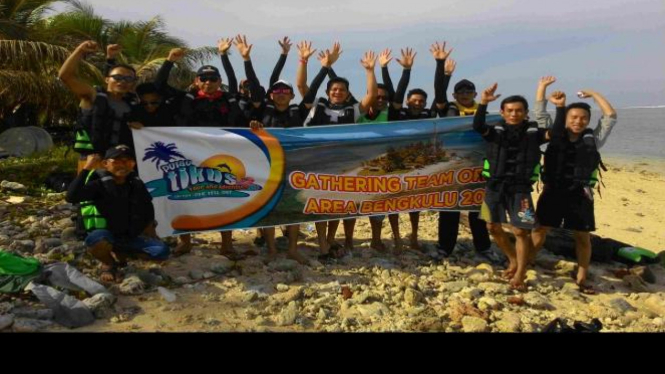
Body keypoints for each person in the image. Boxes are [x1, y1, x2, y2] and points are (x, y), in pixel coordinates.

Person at [530, 84, 612, 294]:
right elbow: (539, 112)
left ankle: (582, 277)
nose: (578, 121)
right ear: (565, 118)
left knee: (582, 236)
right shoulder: (553, 135)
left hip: (580, 194)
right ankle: (527, 262)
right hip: (553, 191)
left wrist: (594, 93)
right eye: (573, 117)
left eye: (583, 118)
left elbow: (610, 115)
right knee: (540, 229)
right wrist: (542, 88)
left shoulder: (593, 138)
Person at [301, 45, 378, 261]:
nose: (337, 92)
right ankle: (322, 242)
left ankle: (331, 239)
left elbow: (371, 95)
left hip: (343, 164)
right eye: (334, 89)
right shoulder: (316, 106)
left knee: (337, 204)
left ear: (347, 94)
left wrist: (370, 70)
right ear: (327, 92)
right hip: (316, 162)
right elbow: (301, 85)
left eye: (342, 90)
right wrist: (323, 67)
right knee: (319, 203)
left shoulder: (352, 110)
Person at [474, 83, 552, 290]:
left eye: (518, 111)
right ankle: (513, 258)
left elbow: (558, 132)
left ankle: (520, 273)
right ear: (502, 112)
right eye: (509, 111)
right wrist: (483, 102)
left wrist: (560, 108)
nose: (514, 114)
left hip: (521, 191)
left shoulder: (535, 134)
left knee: (520, 231)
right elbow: (477, 125)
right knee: (492, 226)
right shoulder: (494, 132)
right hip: (494, 188)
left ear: (526, 113)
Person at [66, 145, 169, 283]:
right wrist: (87, 168)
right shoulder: (99, 184)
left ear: (133, 164)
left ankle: (123, 253)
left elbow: (148, 207)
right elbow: (71, 196)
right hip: (106, 235)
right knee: (97, 240)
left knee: (161, 251)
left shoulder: (136, 183)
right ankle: (109, 263)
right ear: (105, 164)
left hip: (130, 236)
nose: (123, 165)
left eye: (128, 161)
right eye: (117, 161)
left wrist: (151, 230)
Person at [434, 58, 497, 263]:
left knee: (477, 207)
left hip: (478, 166)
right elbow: (439, 93)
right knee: (449, 208)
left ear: (475, 94)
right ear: (455, 95)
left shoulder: (484, 111)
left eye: (468, 92)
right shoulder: (448, 109)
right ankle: (445, 247)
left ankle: (484, 247)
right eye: (460, 92)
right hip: (451, 166)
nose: (464, 95)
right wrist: (443, 69)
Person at [59, 41, 139, 172]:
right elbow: (65, 76)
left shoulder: (133, 104)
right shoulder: (92, 96)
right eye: (117, 77)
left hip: (121, 162)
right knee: (88, 192)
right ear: (107, 79)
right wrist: (80, 50)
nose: (122, 81)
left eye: (128, 79)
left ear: (133, 83)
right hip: (93, 160)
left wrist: (140, 128)